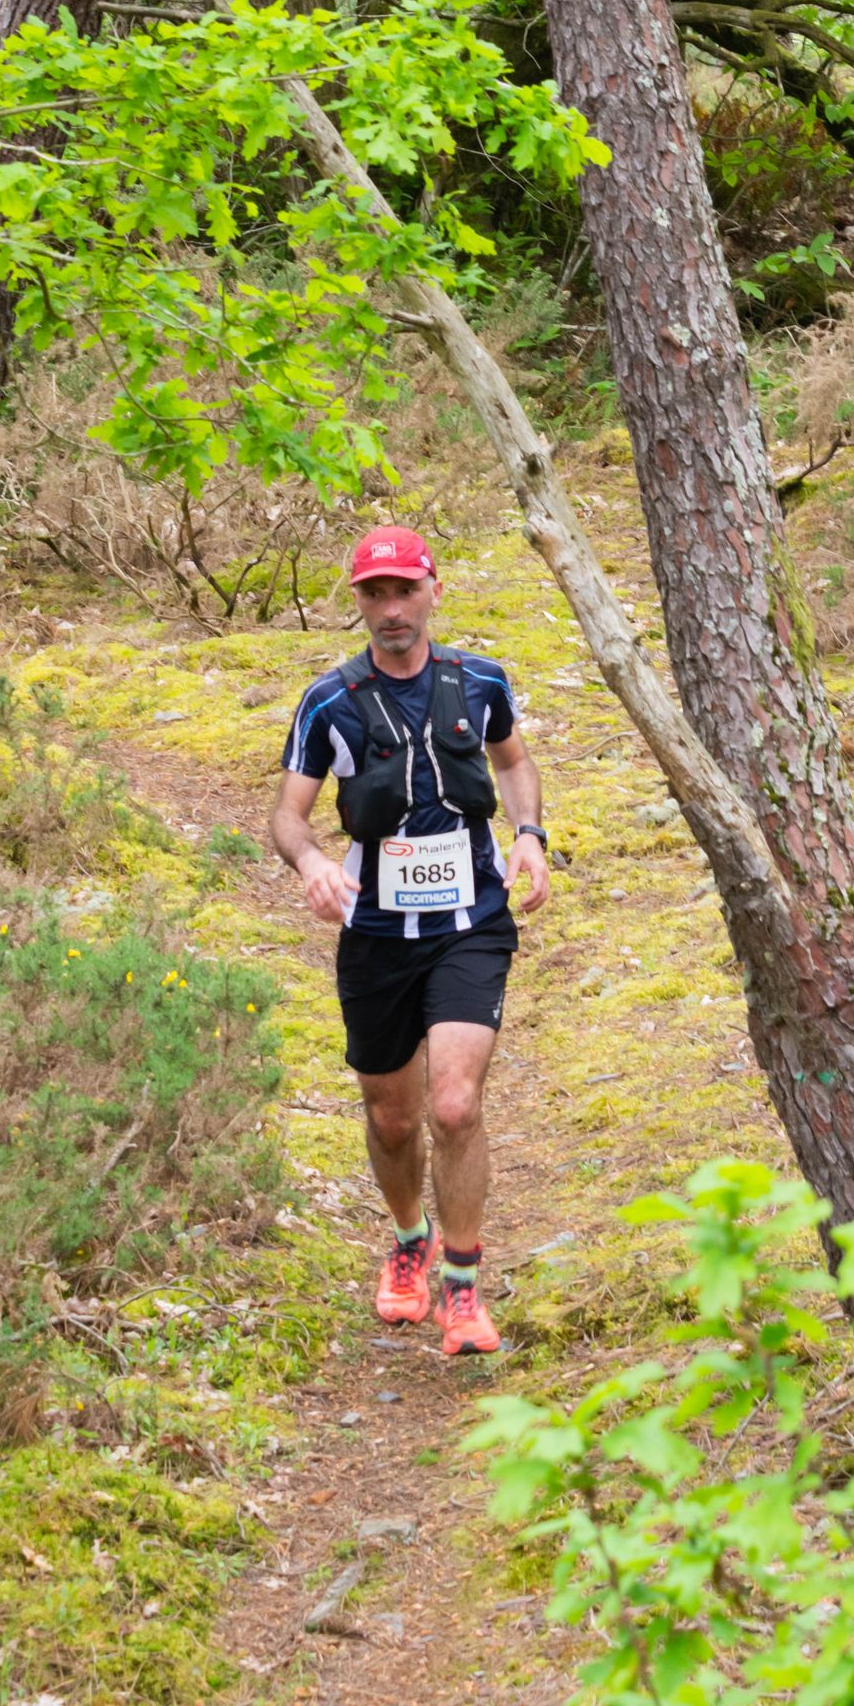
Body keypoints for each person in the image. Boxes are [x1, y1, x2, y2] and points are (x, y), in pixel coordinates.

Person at [271, 527, 550, 1356]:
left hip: (471, 922)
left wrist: (528, 834)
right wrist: (311, 862)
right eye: (374, 593)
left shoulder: (480, 680)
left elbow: (512, 763)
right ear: (356, 601)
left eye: (404, 590)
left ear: (432, 591)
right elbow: (287, 815)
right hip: (376, 933)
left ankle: (462, 1285)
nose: (391, 609)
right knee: (392, 1119)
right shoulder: (328, 701)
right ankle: (408, 1241)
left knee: (454, 1105)